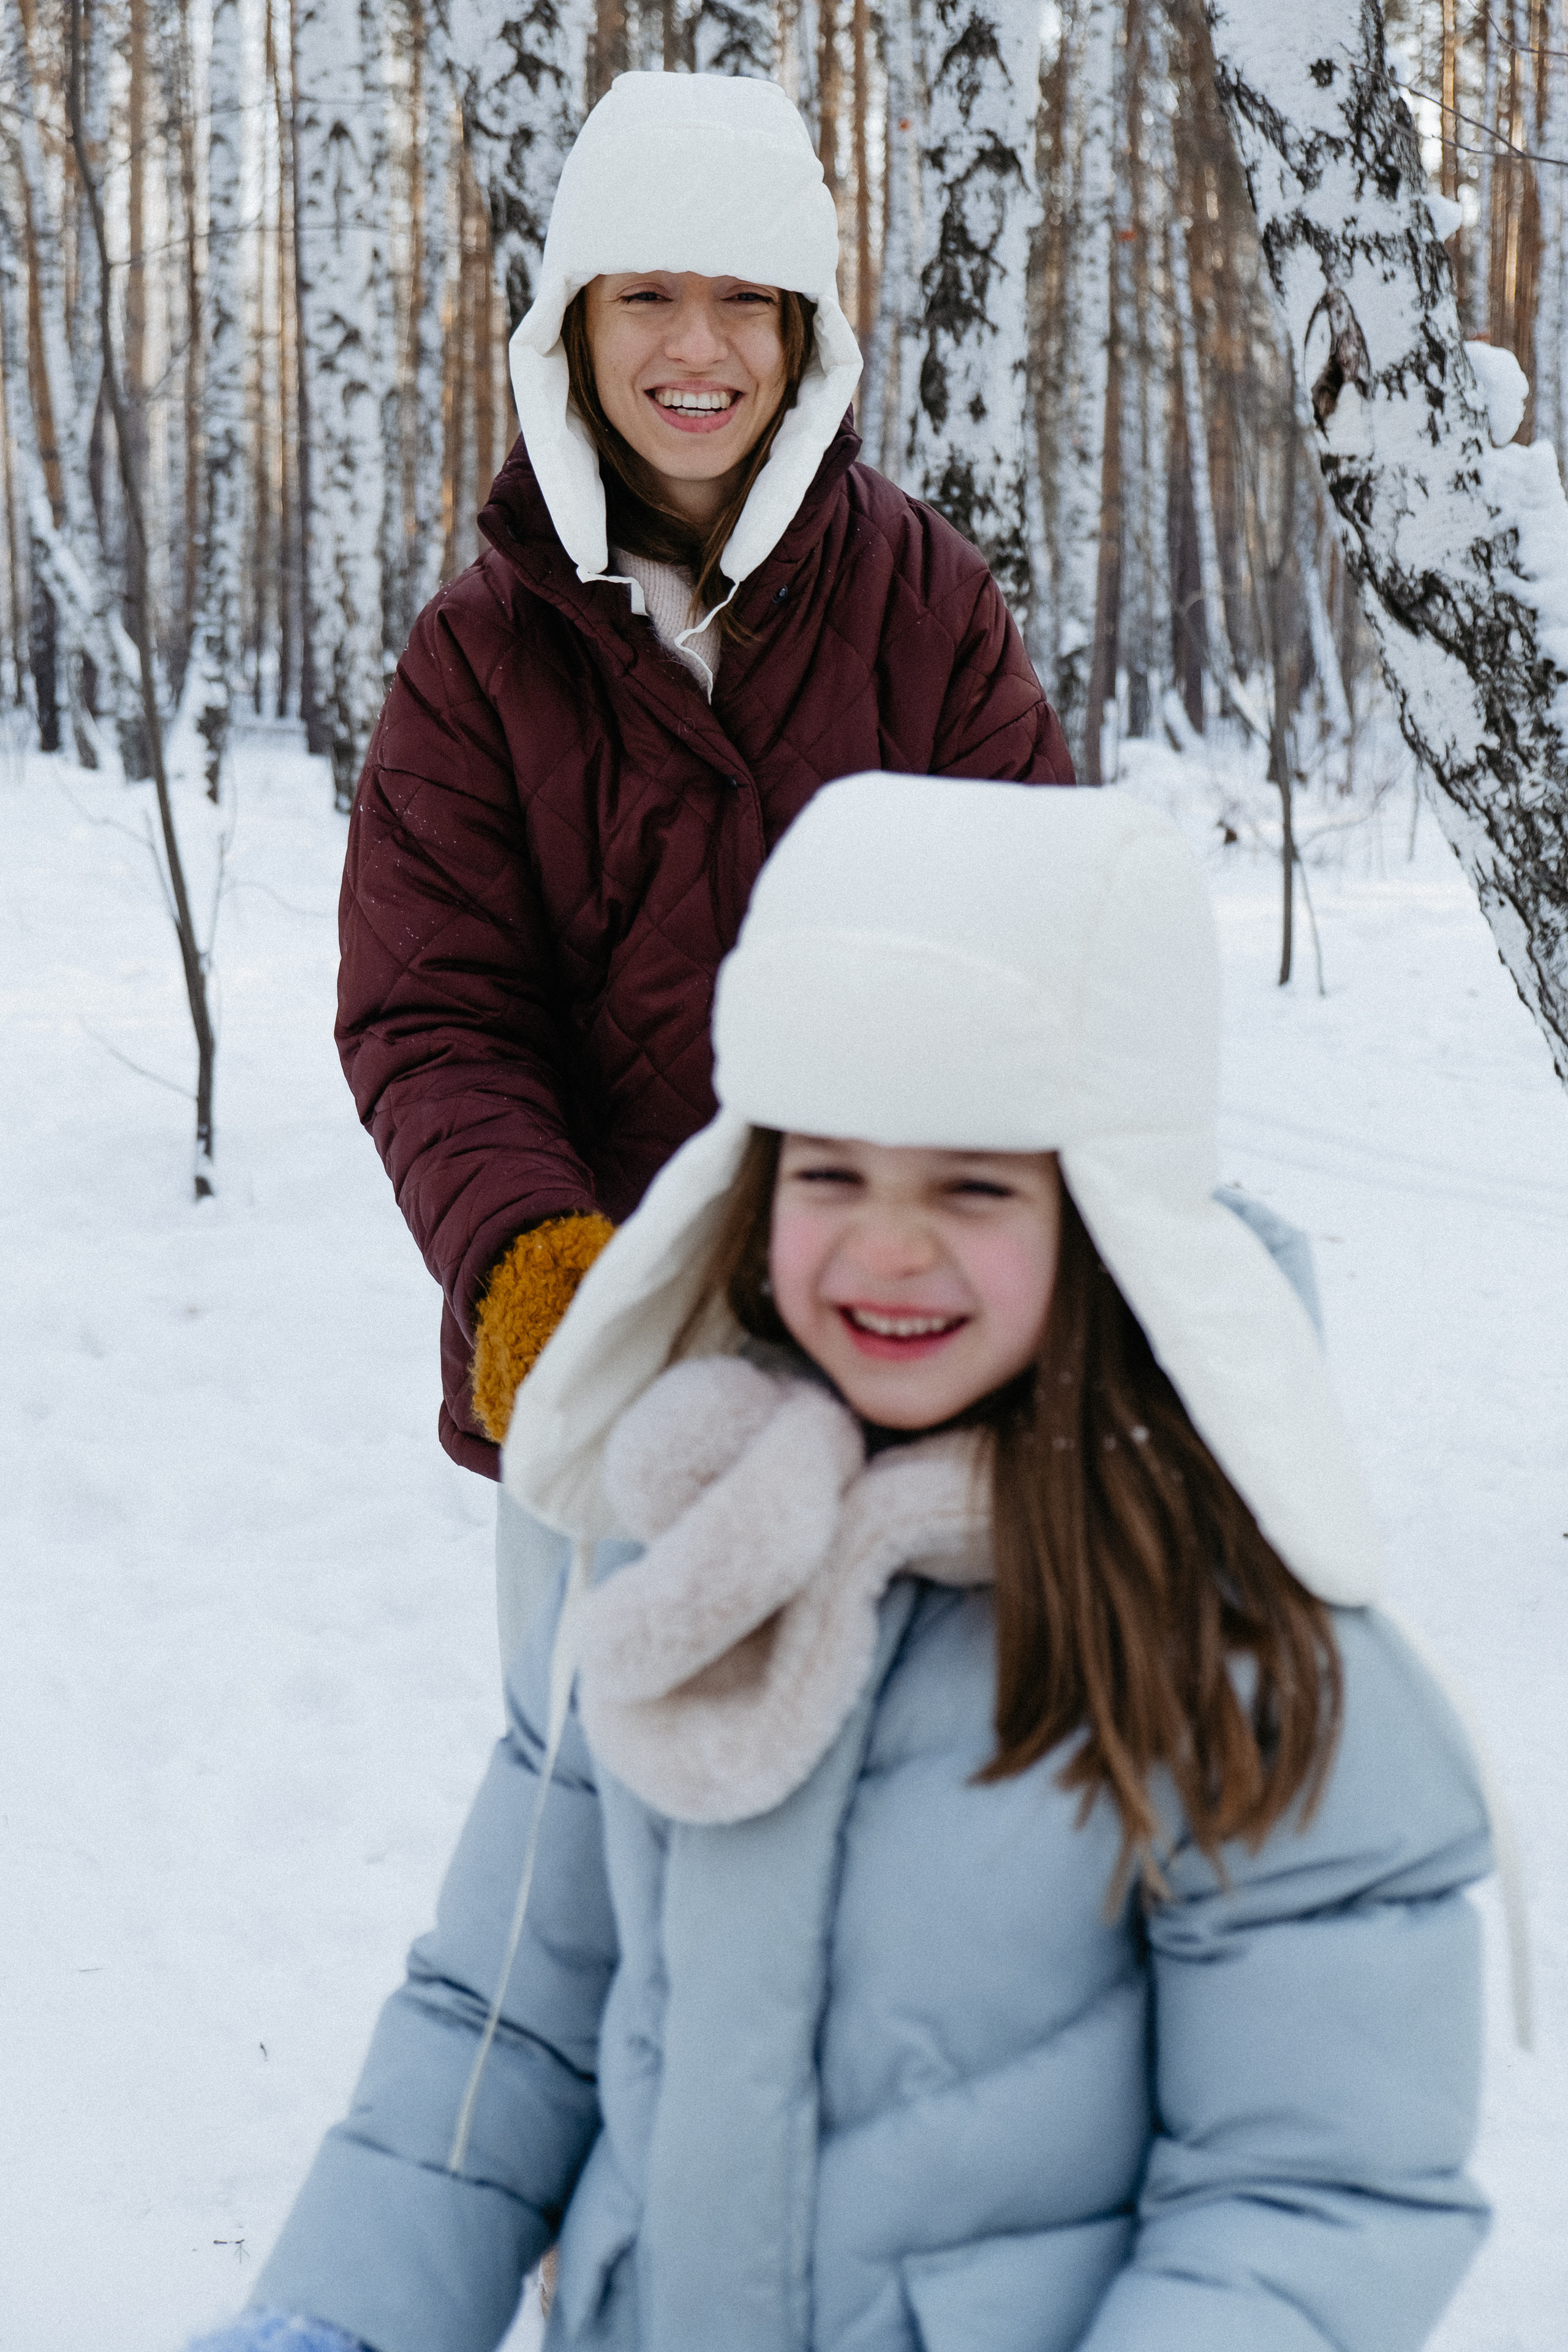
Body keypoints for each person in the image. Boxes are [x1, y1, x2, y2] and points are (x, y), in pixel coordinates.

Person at [197, 778, 1490, 2352]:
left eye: (970, 1185)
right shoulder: (675, 1536)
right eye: (828, 1174)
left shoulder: (1216, 1628)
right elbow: (499, 2027)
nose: (885, 1246)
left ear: (1103, 1218)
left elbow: (1310, 2193)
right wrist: (340, 2319)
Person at [333, 71, 1074, 1660]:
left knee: (901, 1810)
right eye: (649, 296)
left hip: (902, 1337)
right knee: (602, 1778)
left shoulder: (926, 600)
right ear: (573, 328)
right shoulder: (478, 658)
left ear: (804, 331)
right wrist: (534, 1266)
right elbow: (431, 1018)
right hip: (614, 1367)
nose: (696, 347)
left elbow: (1046, 945)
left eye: (746, 300)